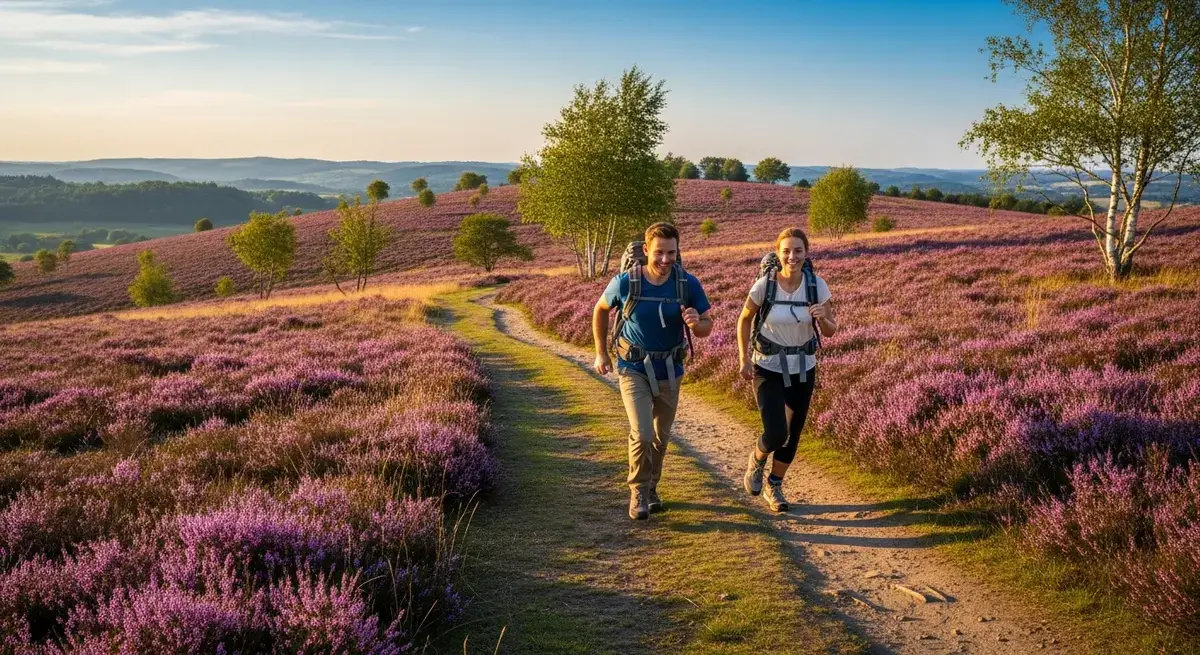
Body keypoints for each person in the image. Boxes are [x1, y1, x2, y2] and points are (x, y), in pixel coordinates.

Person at [592, 222, 714, 520]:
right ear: (646, 250)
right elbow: (600, 310)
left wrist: (696, 321)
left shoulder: (688, 284)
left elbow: (706, 328)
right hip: (633, 368)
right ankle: (637, 491)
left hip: (671, 369)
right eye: (659, 252)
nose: (665, 259)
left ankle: (651, 488)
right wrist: (600, 352)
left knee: (661, 436)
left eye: (671, 253)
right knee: (643, 433)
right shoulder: (626, 282)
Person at [736, 227, 837, 512]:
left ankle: (775, 485)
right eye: (787, 251)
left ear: (806, 253)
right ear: (778, 253)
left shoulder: (818, 286)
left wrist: (823, 318)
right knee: (776, 432)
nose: (792, 256)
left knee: (793, 433)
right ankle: (757, 460)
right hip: (766, 366)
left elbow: (830, 330)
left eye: (798, 251)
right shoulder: (764, 286)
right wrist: (744, 359)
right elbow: (744, 320)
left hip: (803, 368)